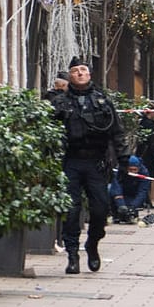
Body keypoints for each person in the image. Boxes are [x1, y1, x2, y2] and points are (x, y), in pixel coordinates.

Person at [47, 56, 124, 273]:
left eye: (83, 70)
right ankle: (72, 254)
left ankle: (92, 245)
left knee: (100, 210)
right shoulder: (59, 102)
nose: (79, 73)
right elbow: (48, 132)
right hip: (70, 161)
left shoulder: (102, 100)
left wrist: (124, 159)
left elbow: (116, 131)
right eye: (75, 71)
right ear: (69, 76)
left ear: (89, 74)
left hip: (96, 162)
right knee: (71, 211)